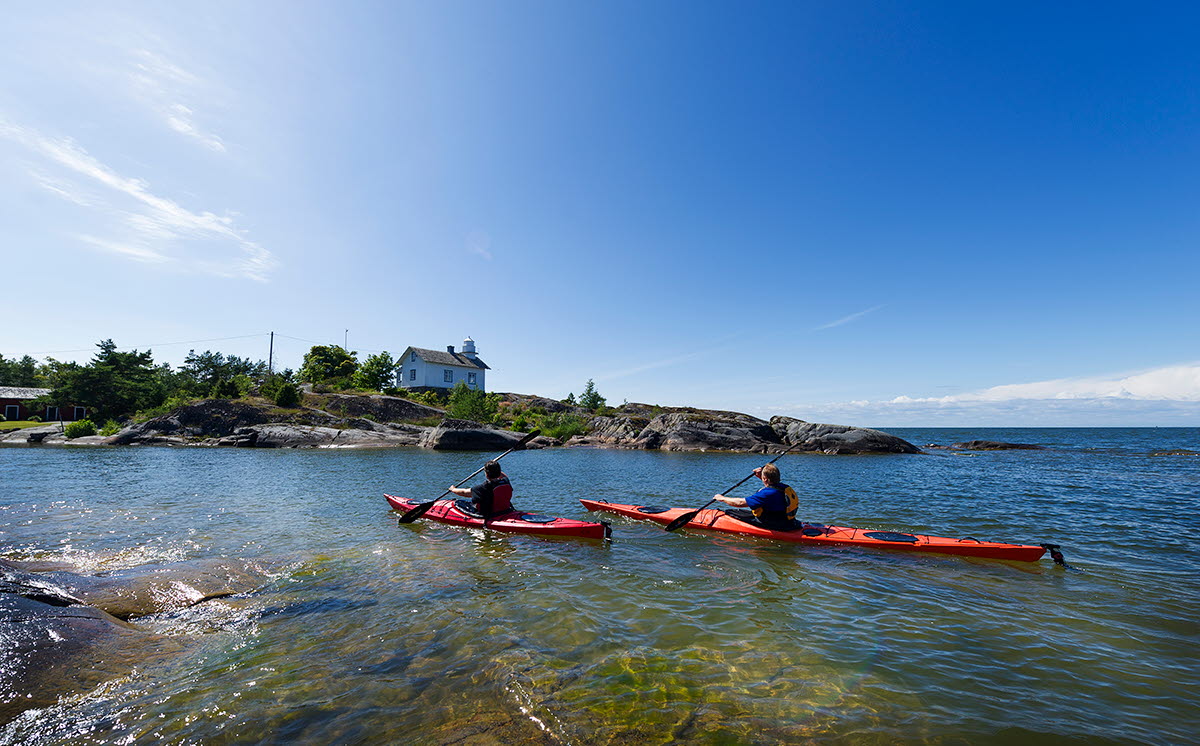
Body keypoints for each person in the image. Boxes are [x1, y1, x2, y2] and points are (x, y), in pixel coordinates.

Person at [712, 462, 799, 529]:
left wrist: (722, 498)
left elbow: (740, 503)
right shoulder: (785, 488)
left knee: (730, 512)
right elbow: (772, 485)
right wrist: (762, 475)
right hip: (788, 522)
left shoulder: (766, 494)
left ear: (765, 478)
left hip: (772, 524)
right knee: (742, 512)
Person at [447, 460, 514, 518]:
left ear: (487, 475)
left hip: (490, 515)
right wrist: (494, 467)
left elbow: (464, 492)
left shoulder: (481, 488)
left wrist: (453, 489)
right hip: (505, 511)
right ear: (499, 472)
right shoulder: (506, 482)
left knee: (461, 503)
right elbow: (503, 476)